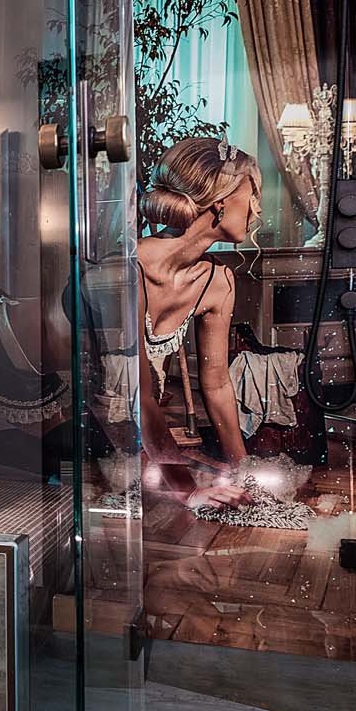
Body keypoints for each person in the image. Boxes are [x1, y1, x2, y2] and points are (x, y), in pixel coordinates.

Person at [137, 135, 262, 508]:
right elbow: (135, 394)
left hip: (120, 431)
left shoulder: (218, 282)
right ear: (222, 203)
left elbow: (218, 385)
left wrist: (246, 476)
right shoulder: (130, 268)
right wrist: (187, 490)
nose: (258, 210)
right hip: (20, 386)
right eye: (252, 195)